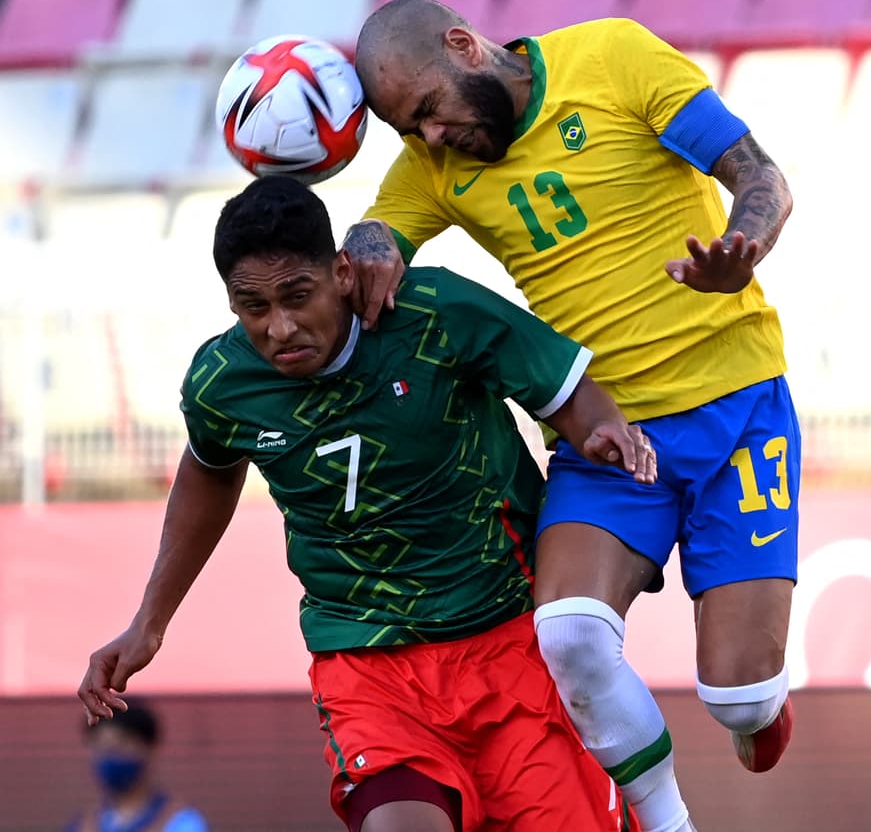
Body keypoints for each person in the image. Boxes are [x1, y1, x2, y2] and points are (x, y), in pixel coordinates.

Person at [346, 0, 800, 832]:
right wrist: (368, 244)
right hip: (607, 435)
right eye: (410, 131)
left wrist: (745, 247)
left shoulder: (614, 57)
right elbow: (374, 245)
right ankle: (670, 823)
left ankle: (760, 711)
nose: (431, 140)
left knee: (738, 698)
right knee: (570, 635)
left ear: (464, 46)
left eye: (430, 113)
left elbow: (760, 174)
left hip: (736, 407)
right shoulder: (433, 167)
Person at [77, 175, 654, 832]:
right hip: (367, 662)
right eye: (253, 307)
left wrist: (603, 433)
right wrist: (149, 621)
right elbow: (210, 471)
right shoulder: (222, 383)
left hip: (509, 640)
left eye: (298, 296)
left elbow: (568, 393)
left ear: (342, 272)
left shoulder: (436, 314)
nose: (280, 327)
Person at [66, 699, 209, 832]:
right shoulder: (83, 825)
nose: (110, 756)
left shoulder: (180, 823)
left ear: (149, 749)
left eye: (120, 745)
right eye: (102, 747)